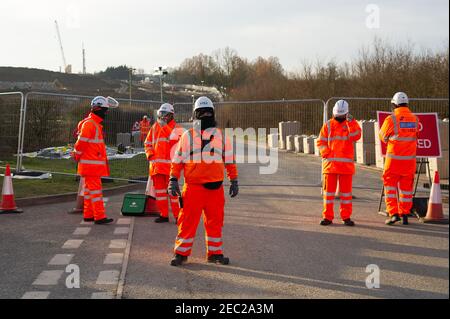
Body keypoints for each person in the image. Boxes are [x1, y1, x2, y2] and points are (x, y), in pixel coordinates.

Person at [167, 96, 239, 266]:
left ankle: (215, 253)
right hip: (193, 189)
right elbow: (177, 160)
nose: (205, 115)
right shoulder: (187, 136)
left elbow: (229, 160)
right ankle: (181, 254)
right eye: (202, 113)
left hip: (215, 189)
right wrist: (173, 179)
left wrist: (234, 179)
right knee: (187, 222)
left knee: (215, 222)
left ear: (213, 114)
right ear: (195, 115)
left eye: (208, 112)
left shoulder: (221, 136)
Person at [72, 96, 119, 225]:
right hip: (91, 165)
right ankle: (99, 216)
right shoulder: (90, 124)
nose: (106, 113)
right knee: (96, 191)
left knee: (88, 191)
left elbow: (83, 144)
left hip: (90, 165)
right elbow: (81, 143)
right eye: (105, 110)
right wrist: (76, 154)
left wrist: (77, 154)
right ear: (97, 108)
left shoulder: (93, 124)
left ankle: (88, 215)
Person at [317, 100, 362, 226]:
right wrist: (327, 153)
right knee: (328, 194)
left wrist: (351, 123)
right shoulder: (328, 125)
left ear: (346, 114)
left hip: (345, 167)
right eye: (338, 115)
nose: (339, 117)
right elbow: (320, 142)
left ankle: (346, 217)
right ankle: (327, 217)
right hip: (331, 166)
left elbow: (356, 136)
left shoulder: (351, 124)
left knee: (346, 195)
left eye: (341, 116)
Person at [379, 92, 420, 226]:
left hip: (394, 161)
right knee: (406, 189)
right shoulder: (415, 119)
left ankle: (393, 214)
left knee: (390, 187)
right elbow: (415, 135)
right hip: (409, 161)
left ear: (394, 104)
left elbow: (382, 136)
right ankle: (405, 214)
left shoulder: (391, 119)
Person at [144, 103, 182, 223]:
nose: (163, 117)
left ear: (171, 115)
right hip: (156, 167)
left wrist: (165, 126)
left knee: (173, 194)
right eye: (161, 114)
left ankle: (178, 216)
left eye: (166, 114)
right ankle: (164, 215)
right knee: (160, 193)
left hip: (171, 168)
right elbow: (147, 143)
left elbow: (175, 141)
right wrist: (150, 154)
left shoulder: (177, 128)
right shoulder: (155, 127)